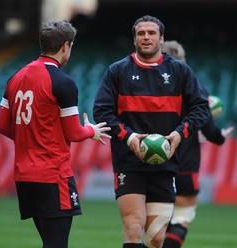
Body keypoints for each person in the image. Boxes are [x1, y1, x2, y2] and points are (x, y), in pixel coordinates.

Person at [93, 15, 210, 248]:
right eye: (141, 33)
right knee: (134, 227)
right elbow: (102, 111)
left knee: (156, 239)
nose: (146, 37)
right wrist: (130, 137)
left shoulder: (180, 71)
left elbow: (201, 108)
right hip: (129, 162)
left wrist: (179, 133)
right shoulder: (117, 71)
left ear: (161, 38)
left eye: (151, 33)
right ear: (134, 39)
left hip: (165, 163)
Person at [0, 20, 111, 248]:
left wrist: (32, 137)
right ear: (66, 46)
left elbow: (3, 126)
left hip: (24, 175)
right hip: (52, 175)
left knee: (49, 242)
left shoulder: (16, 77)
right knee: (56, 244)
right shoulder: (63, 82)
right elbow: (73, 132)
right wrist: (92, 130)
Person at [161, 40, 234, 248]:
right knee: (183, 215)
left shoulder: (145, 88)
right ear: (183, 61)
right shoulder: (195, 88)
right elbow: (212, 133)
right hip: (185, 165)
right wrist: (221, 135)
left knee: (157, 219)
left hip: (154, 164)